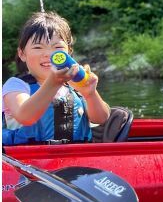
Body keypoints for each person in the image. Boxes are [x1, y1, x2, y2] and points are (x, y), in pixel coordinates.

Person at [2, 11, 110, 145]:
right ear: (22, 54)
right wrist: (52, 84)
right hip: (26, 159)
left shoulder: (74, 84)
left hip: (75, 157)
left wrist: (90, 94)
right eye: (37, 47)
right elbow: (25, 117)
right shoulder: (16, 85)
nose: (49, 54)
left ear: (69, 52)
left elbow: (101, 118)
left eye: (57, 47)